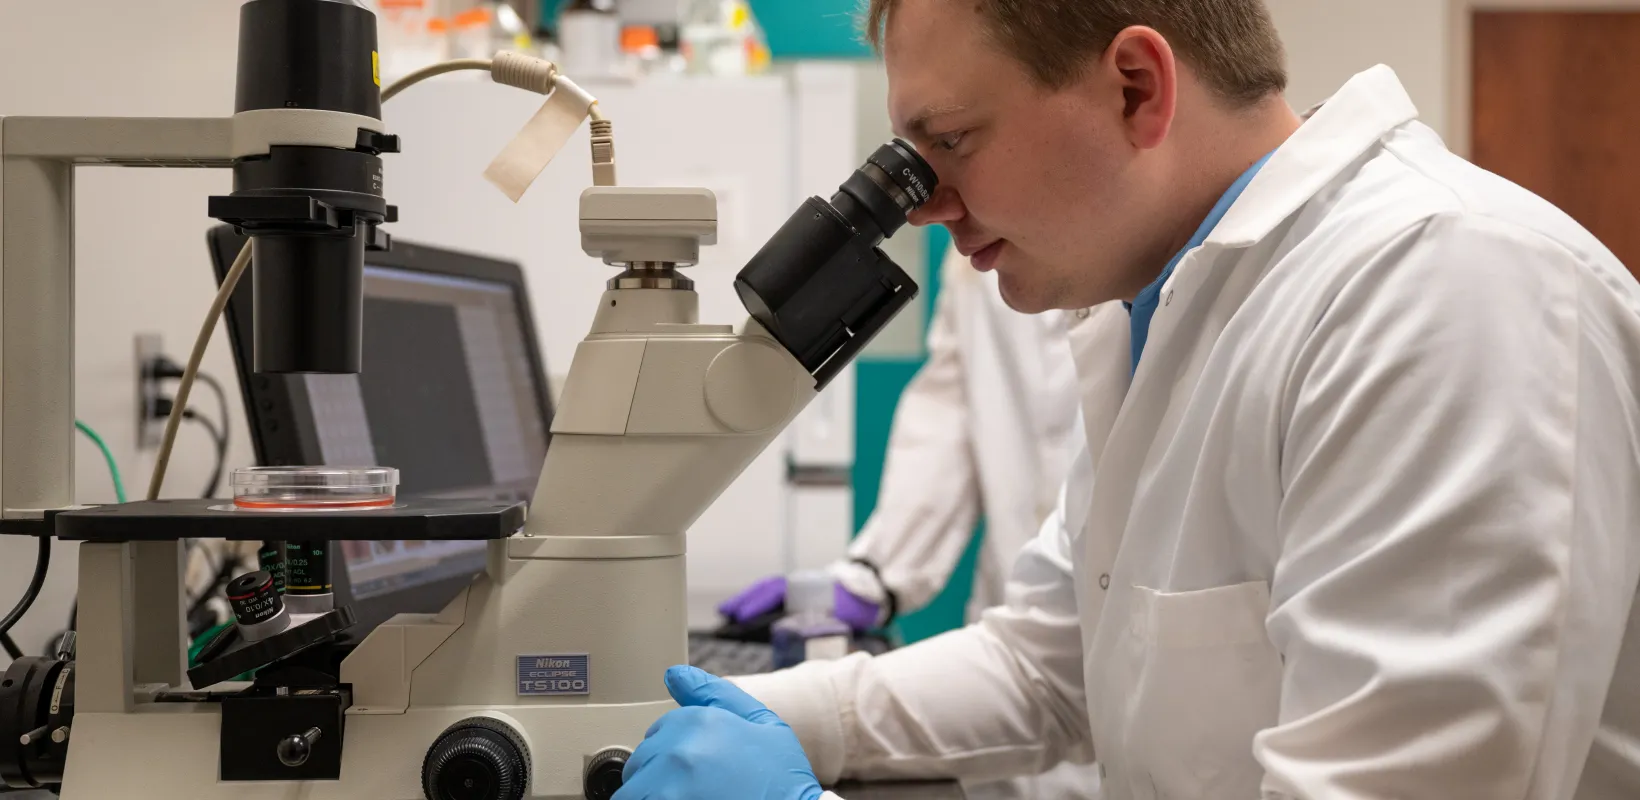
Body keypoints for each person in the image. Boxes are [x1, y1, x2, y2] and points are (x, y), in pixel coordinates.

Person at [615, 0, 1640, 798]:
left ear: (1136, 87)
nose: (924, 206)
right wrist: (756, 713)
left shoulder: (1442, 291)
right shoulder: (1157, 311)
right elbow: (1047, 662)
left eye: (953, 141)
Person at [716, 246, 1098, 799]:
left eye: (952, 151)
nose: (929, 210)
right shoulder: (987, 251)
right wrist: (876, 573)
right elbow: (953, 406)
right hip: (1019, 669)